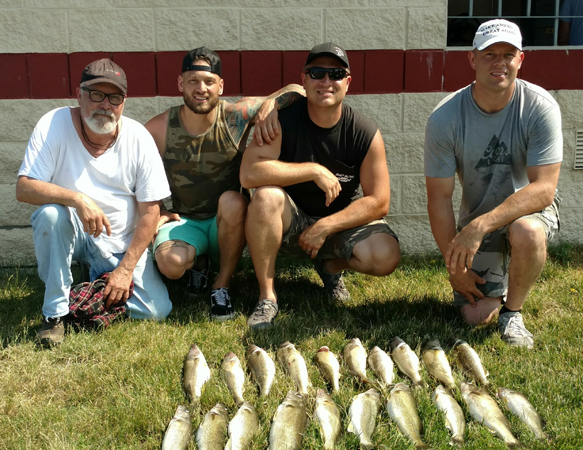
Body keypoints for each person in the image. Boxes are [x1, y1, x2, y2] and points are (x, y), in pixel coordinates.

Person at [240, 42, 401, 330]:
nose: (326, 81)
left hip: (337, 226)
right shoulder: (281, 120)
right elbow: (249, 174)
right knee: (265, 197)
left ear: (348, 82)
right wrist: (312, 170)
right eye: (317, 73)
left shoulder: (364, 132)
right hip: (289, 223)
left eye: (336, 74)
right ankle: (267, 297)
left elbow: (379, 200)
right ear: (304, 79)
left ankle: (329, 268)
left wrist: (326, 226)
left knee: (385, 254)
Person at [424, 20, 562, 349]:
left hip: (528, 212)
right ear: (472, 59)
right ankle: (497, 287)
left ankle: (512, 312)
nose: (499, 62)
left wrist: (480, 226)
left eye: (508, 54)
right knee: (475, 316)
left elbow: (544, 189)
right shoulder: (444, 118)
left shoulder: (541, 108)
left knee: (525, 232)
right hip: (477, 219)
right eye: (489, 54)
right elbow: (439, 199)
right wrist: (453, 264)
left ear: (520, 59)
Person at [16, 59, 172, 347]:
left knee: (156, 310)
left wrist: (125, 271)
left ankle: (82, 288)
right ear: (79, 94)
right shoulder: (54, 124)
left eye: (114, 97)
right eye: (96, 94)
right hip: (72, 233)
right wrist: (77, 199)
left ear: (124, 102)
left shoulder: (139, 137)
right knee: (51, 215)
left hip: (118, 243)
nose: (105, 105)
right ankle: (55, 316)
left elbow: (151, 211)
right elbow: (24, 189)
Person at [145, 47, 304, 321]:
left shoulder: (234, 116)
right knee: (170, 265)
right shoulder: (159, 128)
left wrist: (270, 104)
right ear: (180, 83)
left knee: (230, 200)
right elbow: (137, 176)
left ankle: (221, 284)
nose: (201, 88)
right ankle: (200, 262)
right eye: (193, 80)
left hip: (229, 222)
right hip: (187, 221)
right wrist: (157, 211)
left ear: (221, 86)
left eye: (209, 82)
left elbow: (297, 91)